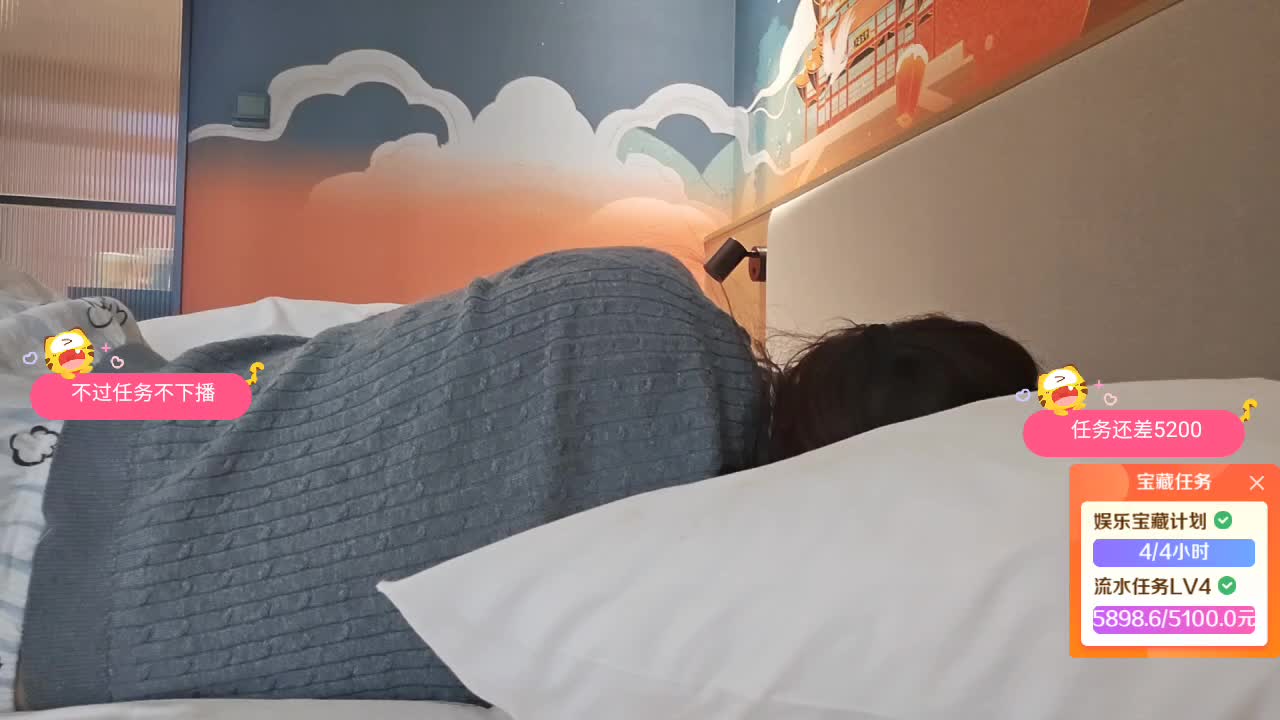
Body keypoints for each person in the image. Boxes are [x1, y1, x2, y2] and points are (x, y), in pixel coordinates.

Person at [16, 247, 1036, 709]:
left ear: (849, 352)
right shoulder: (708, 617)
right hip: (44, 636)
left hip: (62, 418)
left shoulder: (635, 291)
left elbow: (333, 362)